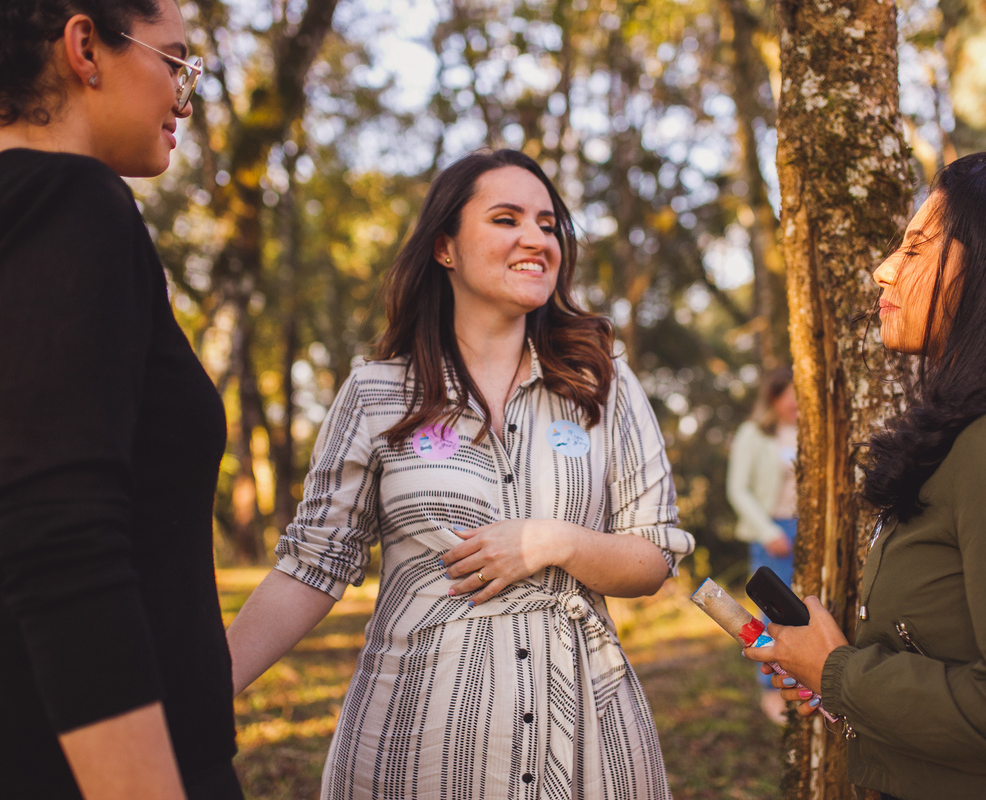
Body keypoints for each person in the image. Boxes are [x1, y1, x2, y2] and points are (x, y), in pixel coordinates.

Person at [226, 148, 695, 799]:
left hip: (590, 749)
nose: (536, 238)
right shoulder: (376, 394)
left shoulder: (602, 384)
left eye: (547, 223)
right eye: (506, 219)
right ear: (445, 247)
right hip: (415, 751)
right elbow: (312, 566)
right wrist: (204, 694)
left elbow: (653, 558)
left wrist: (551, 542)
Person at [743, 151, 986, 800]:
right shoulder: (984, 440)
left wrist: (839, 672)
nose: (882, 270)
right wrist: (842, 673)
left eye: (917, 248)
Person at [0, 2, 241, 799]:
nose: (184, 97)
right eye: (175, 63)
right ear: (85, 47)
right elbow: (60, 537)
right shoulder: (66, 203)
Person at [725, 365, 799, 723]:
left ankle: (802, 681)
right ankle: (770, 691)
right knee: (770, 614)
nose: (795, 402)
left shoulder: (807, 430)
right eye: (788, 394)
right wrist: (767, 530)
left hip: (806, 528)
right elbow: (737, 489)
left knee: (806, 613)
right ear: (772, 397)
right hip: (773, 533)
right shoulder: (752, 434)